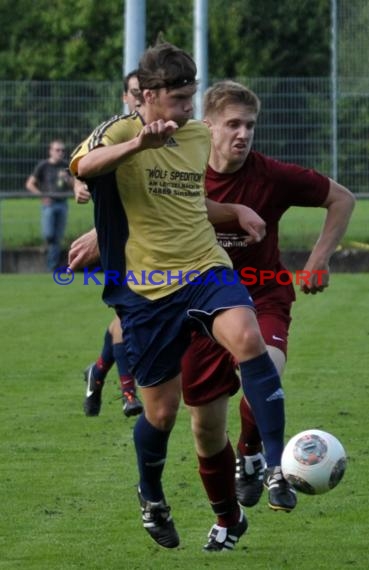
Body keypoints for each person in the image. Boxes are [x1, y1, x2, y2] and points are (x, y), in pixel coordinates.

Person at [69, 41, 286, 552]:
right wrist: (137, 147)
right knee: (161, 414)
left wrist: (232, 213)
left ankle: (275, 465)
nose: (189, 109)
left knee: (248, 337)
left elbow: (190, 201)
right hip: (146, 293)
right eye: (180, 98)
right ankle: (151, 495)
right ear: (145, 96)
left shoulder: (192, 136)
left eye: (192, 97)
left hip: (205, 268)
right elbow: (84, 166)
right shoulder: (120, 130)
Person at [180, 80, 356, 519]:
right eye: (233, 124)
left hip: (262, 294)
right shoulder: (183, 174)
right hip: (200, 304)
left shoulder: (271, 175)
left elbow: (342, 198)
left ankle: (255, 453)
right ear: (208, 127)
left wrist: (318, 259)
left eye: (250, 126)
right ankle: (227, 510)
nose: (243, 133)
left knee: (265, 370)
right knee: (203, 428)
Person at [73, 72, 143, 418]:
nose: (139, 99)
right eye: (134, 93)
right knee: (125, 314)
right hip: (117, 240)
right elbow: (83, 164)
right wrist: (79, 186)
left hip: (153, 240)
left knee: (126, 317)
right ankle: (129, 393)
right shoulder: (115, 131)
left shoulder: (165, 132)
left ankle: (98, 372)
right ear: (125, 96)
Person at [26, 139, 74, 270]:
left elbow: (76, 185)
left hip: (63, 203)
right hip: (49, 204)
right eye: (57, 150)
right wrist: (42, 196)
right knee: (49, 234)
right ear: (51, 151)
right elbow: (30, 184)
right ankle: (46, 246)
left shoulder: (66, 166)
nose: (60, 153)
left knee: (57, 238)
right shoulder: (43, 166)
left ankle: (51, 267)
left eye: (62, 150)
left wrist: (67, 178)